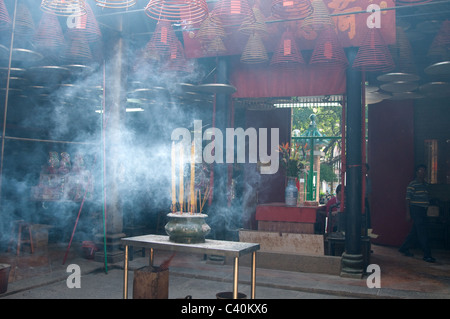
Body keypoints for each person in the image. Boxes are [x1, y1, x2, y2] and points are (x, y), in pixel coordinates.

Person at [398, 164, 436, 263]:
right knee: (422, 232)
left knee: (415, 231)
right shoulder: (412, 184)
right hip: (415, 209)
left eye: (423, 171)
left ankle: (403, 247)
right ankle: (427, 254)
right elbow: (407, 199)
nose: (422, 173)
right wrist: (408, 213)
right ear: (416, 172)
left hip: (423, 210)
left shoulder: (425, 185)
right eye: (420, 171)